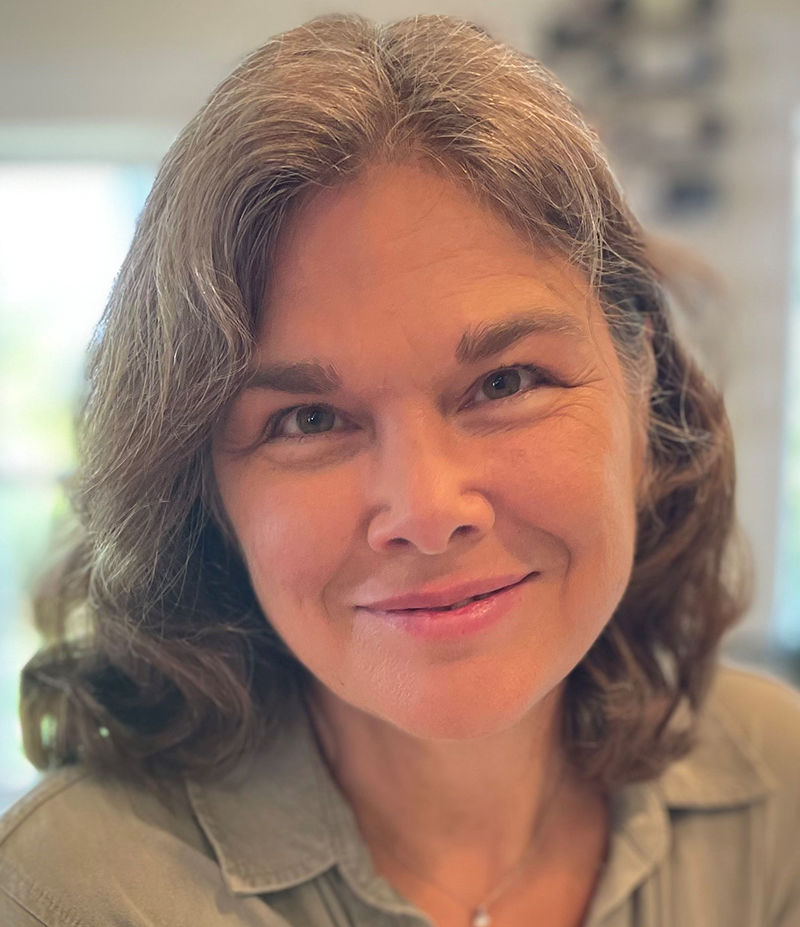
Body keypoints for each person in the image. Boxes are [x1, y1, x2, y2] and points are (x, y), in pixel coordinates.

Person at [1, 12, 798, 927]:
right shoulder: (70, 894)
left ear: (641, 390)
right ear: (203, 495)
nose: (425, 507)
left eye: (506, 382)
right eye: (307, 420)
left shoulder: (780, 792)